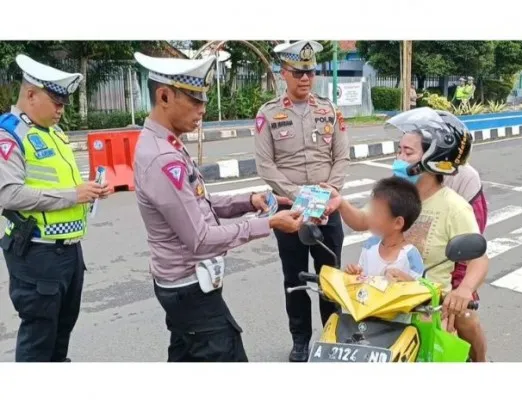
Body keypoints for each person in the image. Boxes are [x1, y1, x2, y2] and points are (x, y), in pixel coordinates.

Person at [133, 52, 303, 363]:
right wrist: (269, 224)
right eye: (195, 100)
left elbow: (199, 205)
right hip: (189, 289)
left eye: (204, 100)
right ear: (165, 96)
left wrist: (248, 201)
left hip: (183, 286)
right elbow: (199, 238)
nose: (203, 110)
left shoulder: (167, 143)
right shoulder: (162, 157)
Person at [321, 107, 489, 361]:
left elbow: (479, 258)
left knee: (463, 325)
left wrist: (463, 290)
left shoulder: (454, 207)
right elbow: (363, 221)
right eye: (399, 150)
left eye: (407, 152)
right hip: (379, 302)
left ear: (433, 159)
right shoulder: (392, 196)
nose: (399, 158)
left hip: (426, 307)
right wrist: (341, 203)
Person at [0, 54, 110, 362]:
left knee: (60, 339)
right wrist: (73, 195)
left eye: (64, 103)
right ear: (31, 95)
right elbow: (8, 194)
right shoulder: (9, 134)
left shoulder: (53, 134)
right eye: (56, 102)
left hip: (69, 253)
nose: (62, 110)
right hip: (38, 254)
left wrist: (92, 191)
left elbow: (63, 186)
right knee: (39, 342)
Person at [254, 40, 350, 362]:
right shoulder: (268, 114)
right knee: (294, 279)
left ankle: (333, 335)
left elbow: (342, 156)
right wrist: (300, 196)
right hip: (290, 209)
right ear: (285, 73)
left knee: (330, 276)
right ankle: (300, 339)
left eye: (310, 71)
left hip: (327, 208)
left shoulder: (330, 111)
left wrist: (329, 192)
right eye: (298, 72)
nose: (305, 78)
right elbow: (265, 165)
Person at [344, 176, 424, 282]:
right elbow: (363, 276)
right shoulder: (370, 245)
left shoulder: (410, 255)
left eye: (377, 212)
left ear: (398, 223)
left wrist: (408, 281)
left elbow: (420, 290)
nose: (370, 216)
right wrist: (356, 273)